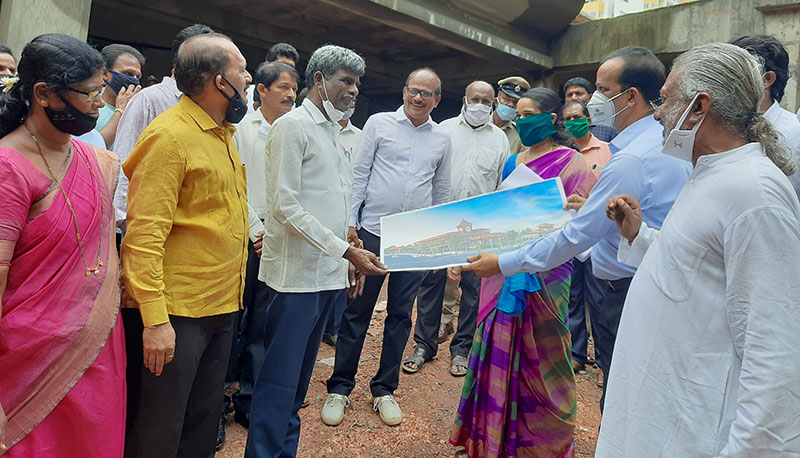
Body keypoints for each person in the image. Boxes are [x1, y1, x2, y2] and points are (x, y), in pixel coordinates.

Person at [463, 47, 692, 412]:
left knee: (620, 392)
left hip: (612, 285)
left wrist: (503, 263)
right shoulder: (665, 144)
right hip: (641, 275)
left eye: (602, 89)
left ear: (630, 96)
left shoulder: (626, 158)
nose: (592, 99)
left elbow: (575, 237)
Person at [598, 42, 800, 457]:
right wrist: (640, 235)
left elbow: (775, 353)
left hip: (693, 426)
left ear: (699, 106)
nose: (657, 113)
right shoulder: (709, 173)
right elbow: (696, 268)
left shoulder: (754, 193)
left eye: (666, 99)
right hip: (660, 405)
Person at [244, 44, 384, 458]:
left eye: (357, 82)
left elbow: (333, 203)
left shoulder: (336, 133)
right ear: (319, 81)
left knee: (299, 386)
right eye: (346, 80)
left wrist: (350, 249)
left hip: (327, 274)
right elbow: (284, 206)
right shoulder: (293, 127)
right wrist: (346, 252)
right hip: (295, 280)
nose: (354, 90)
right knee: (279, 382)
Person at [121, 32, 252, 458]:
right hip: (177, 314)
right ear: (219, 81)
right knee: (159, 429)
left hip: (220, 303)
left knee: (202, 420)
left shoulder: (223, 132)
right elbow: (143, 237)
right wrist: (156, 322)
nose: (248, 77)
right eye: (242, 69)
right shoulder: (169, 136)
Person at [448, 87, 595, 457]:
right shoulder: (513, 163)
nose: (522, 120)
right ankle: (491, 438)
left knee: (544, 358)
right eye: (519, 114)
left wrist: (580, 209)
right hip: (500, 273)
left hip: (547, 278)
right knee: (494, 348)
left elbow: (583, 228)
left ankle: (541, 444)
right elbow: (498, 219)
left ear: (550, 119)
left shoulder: (571, 163)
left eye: (530, 114)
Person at [0, 33, 124, 457]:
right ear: (43, 94)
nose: (98, 103)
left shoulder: (95, 160)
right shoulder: (8, 168)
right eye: (89, 93)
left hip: (98, 351)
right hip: (25, 365)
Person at [322, 67, 452, 428]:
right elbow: (358, 175)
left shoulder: (442, 139)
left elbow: (441, 191)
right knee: (357, 312)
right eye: (413, 90)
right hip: (374, 233)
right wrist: (351, 223)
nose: (418, 98)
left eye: (426, 93)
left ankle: (383, 390)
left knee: (399, 316)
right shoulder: (379, 124)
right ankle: (340, 388)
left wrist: (439, 241)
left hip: (414, 237)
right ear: (404, 90)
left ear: (436, 100)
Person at [411, 80, 510, 378]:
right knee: (432, 284)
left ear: (493, 104)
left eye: (486, 101)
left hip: (480, 223)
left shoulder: (500, 140)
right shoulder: (443, 130)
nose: (480, 105)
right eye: (474, 99)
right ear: (464, 100)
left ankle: (461, 349)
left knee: (473, 290)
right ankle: (423, 345)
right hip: (441, 218)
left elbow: (499, 185)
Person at [224, 60, 299, 429]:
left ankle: (248, 398)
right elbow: (234, 186)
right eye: (283, 87)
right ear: (262, 91)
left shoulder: (296, 130)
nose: (290, 94)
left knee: (261, 322)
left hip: (280, 238)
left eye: (294, 89)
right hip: (244, 236)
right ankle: (219, 394)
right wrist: (256, 230)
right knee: (231, 317)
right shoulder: (239, 129)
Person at [113, 24, 214, 232]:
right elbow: (125, 162)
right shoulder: (149, 99)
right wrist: (127, 224)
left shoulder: (209, 106)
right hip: (148, 225)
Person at [561, 99, 612, 375]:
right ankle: (576, 352)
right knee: (572, 295)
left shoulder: (606, 151)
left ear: (588, 119)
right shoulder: (563, 154)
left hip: (597, 237)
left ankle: (605, 359)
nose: (573, 122)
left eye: (577, 117)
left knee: (599, 298)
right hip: (569, 233)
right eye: (567, 119)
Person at [730, 35, 800, 197]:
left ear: (766, 79)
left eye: (734, 73)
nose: (724, 81)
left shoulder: (795, 135)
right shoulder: (720, 127)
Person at [321, 97, 363, 348]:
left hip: (350, 211)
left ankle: (334, 328)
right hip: (325, 208)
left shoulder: (360, 136)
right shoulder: (324, 131)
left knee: (344, 269)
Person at [96, 44, 144, 147]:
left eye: (138, 76)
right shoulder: (92, 110)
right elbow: (92, 150)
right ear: (105, 74)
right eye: (128, 74)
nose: (134, 80)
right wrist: (120, 111)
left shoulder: (139, 113)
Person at [562, 76, 616, 142]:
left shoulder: (607, 130)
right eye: (570, 95)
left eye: (579, 94)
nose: (574, 98)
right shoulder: (558, 133)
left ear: (590, 97)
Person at [491, 76, 529, 155]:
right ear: (495, 102)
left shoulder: (520, 135)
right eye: (506, 99)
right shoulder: (480, 124)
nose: (511, 105)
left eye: (515, 102)